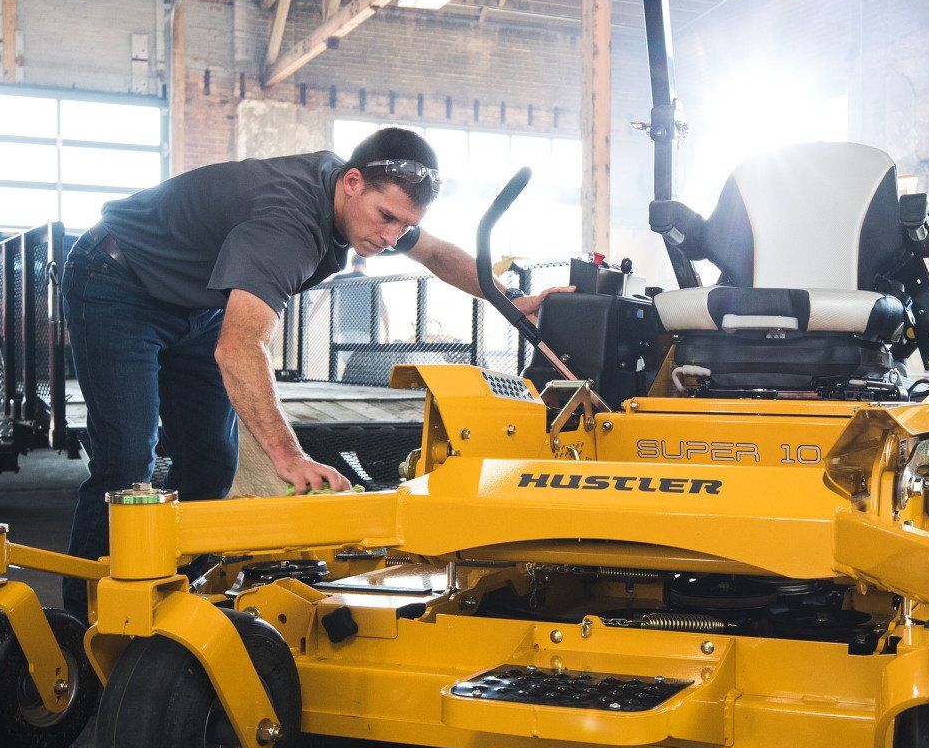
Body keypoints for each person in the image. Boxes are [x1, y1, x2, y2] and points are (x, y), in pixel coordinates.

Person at [59, 127, 562, 617]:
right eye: (386, 218)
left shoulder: (368, 202)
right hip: (117, 281)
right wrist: (289, 456)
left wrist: (510, 300)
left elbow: (435, 253)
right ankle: (86, 621)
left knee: (210, 460)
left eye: (404, 225)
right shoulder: (289, 225)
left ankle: (173, 597)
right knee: (126, 462)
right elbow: (239, 348)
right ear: (352, 182)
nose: (391, 238)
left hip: (193, 302)